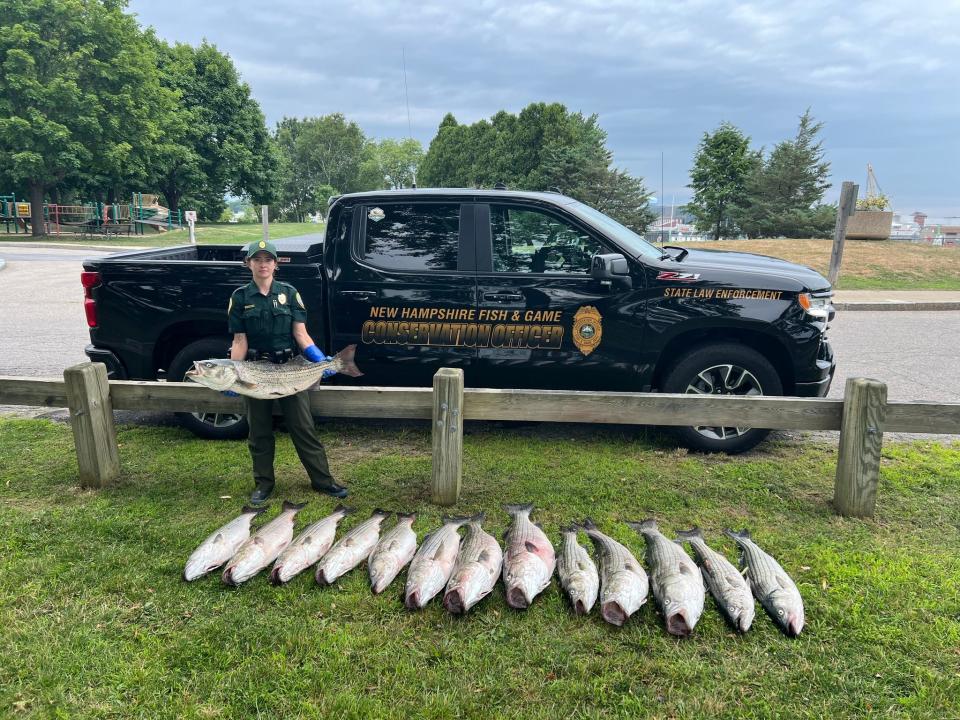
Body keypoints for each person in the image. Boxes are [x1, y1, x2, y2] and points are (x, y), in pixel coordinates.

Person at [227, 239, 349, 504]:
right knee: (258, 432)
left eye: (268, 259)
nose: (263, 264)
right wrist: (233, 373)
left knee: (303, 427)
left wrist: (319, 359)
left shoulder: (290, 293)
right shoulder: (240, 297)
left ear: (276, 264)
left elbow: (301, 334)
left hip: (289, 369)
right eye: (257, 259)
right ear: (248, 263)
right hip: (255, 372)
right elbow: (239, 340)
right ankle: (263, 484)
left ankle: (323, 480)